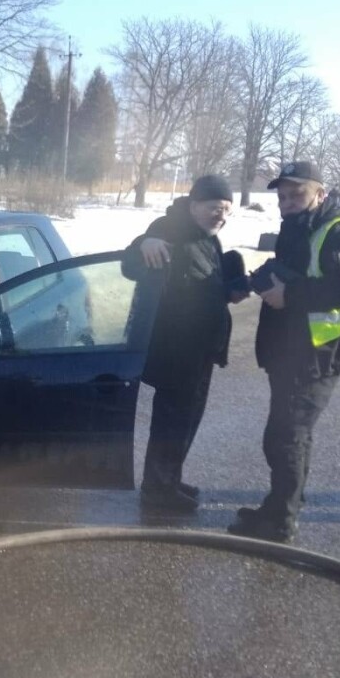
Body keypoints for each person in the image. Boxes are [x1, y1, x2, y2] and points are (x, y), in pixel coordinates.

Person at [228, 161, 340, 542]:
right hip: (292, 350)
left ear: (320, 193)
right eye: (282, 195)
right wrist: (258, 280)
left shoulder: (338, 231)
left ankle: (280, 520)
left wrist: (289, 294)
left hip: (318, 354)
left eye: (297, 193)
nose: (287, 201)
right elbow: (294, 270)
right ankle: (282, 504)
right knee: (287, 434)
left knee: (287, 435)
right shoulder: (298, 227)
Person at [121, 174, 249, 513]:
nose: (220, 215)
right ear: (194, 205)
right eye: (214, 207)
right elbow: (130, 265)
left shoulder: (207, 237)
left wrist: (233, 284)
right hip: (176, 350)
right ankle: (157, 490)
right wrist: (143, 244)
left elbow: (205, 286)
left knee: (188, 418)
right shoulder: (169, 228)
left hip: (201, 350)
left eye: (226, 209)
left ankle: (169, 478)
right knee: (172, 421)